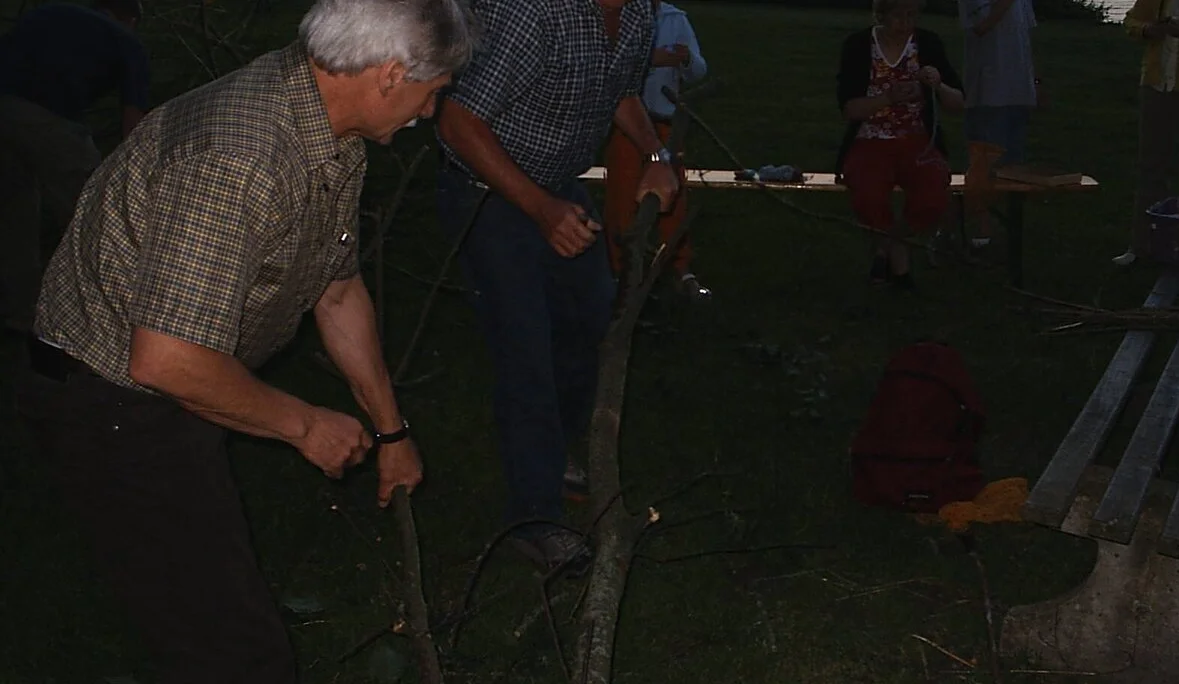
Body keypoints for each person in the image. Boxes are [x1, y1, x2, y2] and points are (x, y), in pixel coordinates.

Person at [16, 0, 474, 681]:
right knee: (233, 652)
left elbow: (337, 288)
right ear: (388, 74)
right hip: (115, 402)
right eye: (433, 93)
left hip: (173, 389)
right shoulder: (239, 158)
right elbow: (168, 359)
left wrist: (391, 431)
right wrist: (305, 425)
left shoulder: (328, 125)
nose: (431, 113)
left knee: (210, 606)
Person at [436, 0, 678, 571]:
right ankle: (533, 517)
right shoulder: (534, 12)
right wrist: (542, 211)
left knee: (591, 325)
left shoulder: (639, 14)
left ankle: (553, 456)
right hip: (487, 194)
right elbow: (457, 121)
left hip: (557, 187)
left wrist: (656, 153)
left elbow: (619, 94)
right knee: (526, 352)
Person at [0, 0, 149, 334]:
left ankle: (21, 315)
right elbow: (133, 122)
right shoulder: (126, 41)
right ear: (129, 18)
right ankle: (111, 320)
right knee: (91, 214)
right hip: (50, 118)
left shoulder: (46, 12)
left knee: (13, 215)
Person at [835, 0, 964, 289]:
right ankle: (901, 269)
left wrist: (937, 85)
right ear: (880, 15)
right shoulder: (858, 45)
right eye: (898, 16)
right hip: (870, 138)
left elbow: (958, 102)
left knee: (933, 195)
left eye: (912, 15)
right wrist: (888, 98)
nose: (906, 23)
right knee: (867, 195)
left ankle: (886, 249)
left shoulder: (928, 44)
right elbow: (849, 109)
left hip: (917, 139)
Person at [603, 0, 708, 300]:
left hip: (665, 124)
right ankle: (619, 271)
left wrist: (686, 59)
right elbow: (610, 64)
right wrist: (652, 60)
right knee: (622, 198)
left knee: (672, 197)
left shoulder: (675, 19)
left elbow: (699, 71)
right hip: (626, 125)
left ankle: (679, 267)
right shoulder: (615, 12)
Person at [1113, 0, 1179, 267]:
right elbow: (1131, 20)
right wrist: (1147, 30)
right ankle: (1141, 246)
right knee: (1150, 167)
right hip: (1154, 87)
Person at [958, 0, 1038, 249]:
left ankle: (1009, 228)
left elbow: (1027, 35)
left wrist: (1036, 81)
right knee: (984, 164)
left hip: (1018, 90)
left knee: (1013, 166)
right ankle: (979, 229)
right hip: (988, 91)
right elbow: (979, 27)